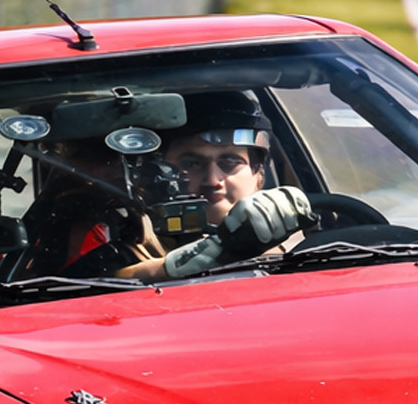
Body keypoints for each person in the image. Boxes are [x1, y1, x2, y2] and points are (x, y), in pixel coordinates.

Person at [113, 91, 313, 282]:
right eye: (191, 163)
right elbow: (95, 287)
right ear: (154, 176)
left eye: (230, 162)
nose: (212, 180)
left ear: (258, 176)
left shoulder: (309, 247)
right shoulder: (129, 247)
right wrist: (170, 268)